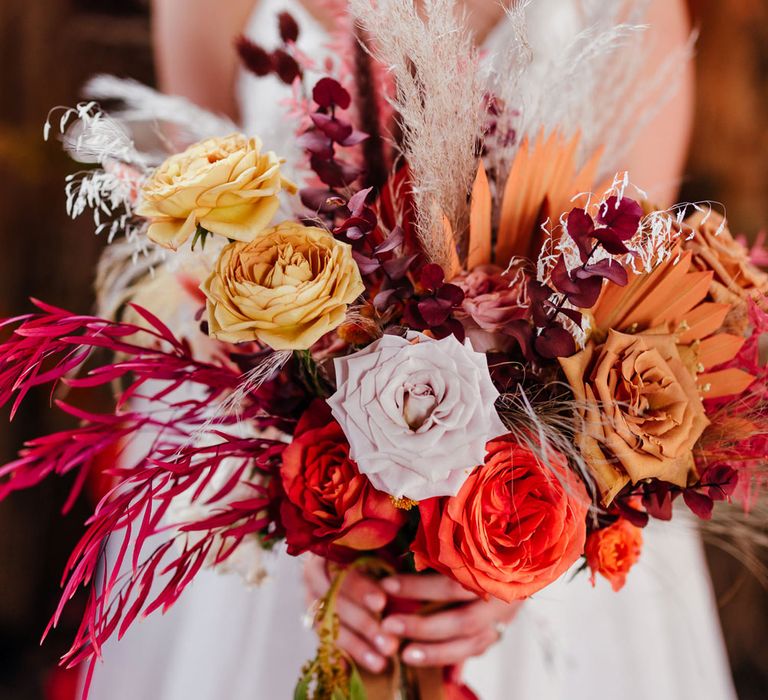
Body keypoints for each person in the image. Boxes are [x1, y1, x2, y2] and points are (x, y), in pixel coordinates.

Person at [85, 1, 736, 698]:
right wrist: (303, 518)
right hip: (274, 481)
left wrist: (536, 548)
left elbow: (627, 311)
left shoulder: (636, 9)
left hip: (545, 497)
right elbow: (205, 261)